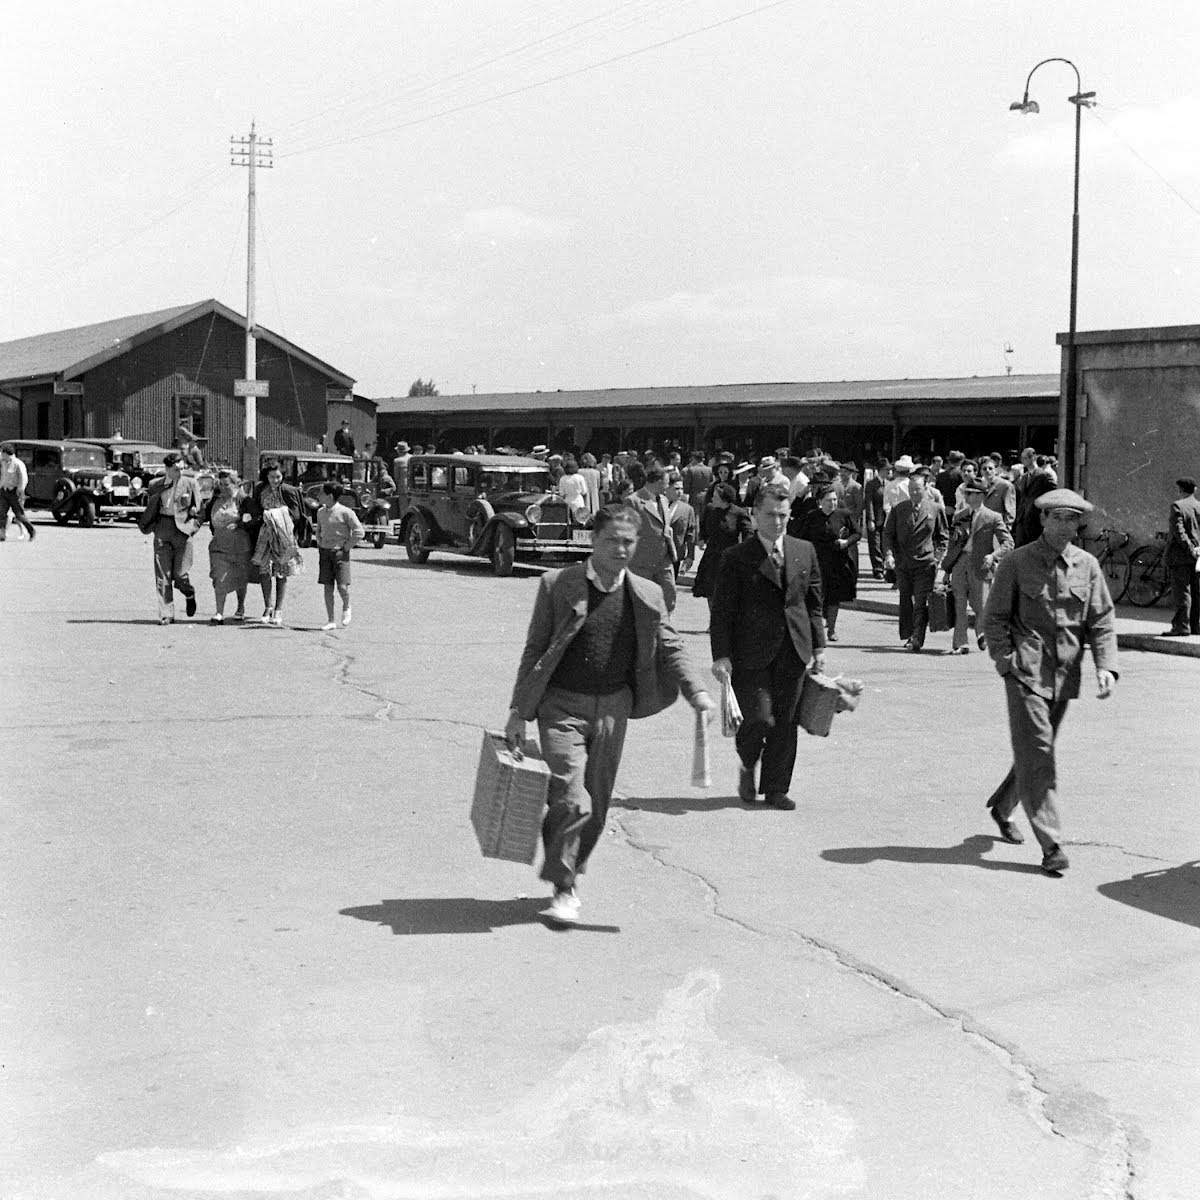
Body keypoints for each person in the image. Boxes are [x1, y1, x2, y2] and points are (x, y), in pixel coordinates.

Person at [504, 504, 714, 925]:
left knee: (595, 808)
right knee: (570, 795)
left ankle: (570, 870)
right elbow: (535, 650)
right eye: (612, 540)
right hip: (561, 705)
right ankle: (563, 886)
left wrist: (698, 692)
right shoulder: (556, 585)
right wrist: (518, 712)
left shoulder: (648, 594)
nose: (621, 549)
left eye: (629, 542)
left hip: (614, 709)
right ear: (592, 540)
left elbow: (670, 645)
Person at [981, 489, 1119, 873]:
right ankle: (1051, 843)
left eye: (1071, 519)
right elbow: (993, 618)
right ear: (1043, 520)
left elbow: (1102, 620)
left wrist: (1105, 666)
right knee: (1039, 752)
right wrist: (1005, 660)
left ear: (1079, 524)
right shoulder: (1017, 562)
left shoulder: (1087, 565)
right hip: (1025, 673)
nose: (1064, 526)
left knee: (1034, 750)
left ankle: (1003, 805)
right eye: (1056, 518)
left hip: (1064, 675)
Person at [710, 482, 827, 811]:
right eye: (770, 515)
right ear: (755, 514)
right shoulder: (736, 557)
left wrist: (820, 646)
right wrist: (721, 655)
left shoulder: (804, 550)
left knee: (786, 722)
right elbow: (722, 613)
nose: (777, 522)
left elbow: (813, 604)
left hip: (794, 649)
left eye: (783, 515)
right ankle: (748, 762)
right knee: (759, 719)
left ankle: (776, 788)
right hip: (751, 653)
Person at [940, 477, 1012, 654]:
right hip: (960, 562)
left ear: (981, 495)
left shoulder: (993, 517)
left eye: (971, 493)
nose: (967, 496)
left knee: (982, 605)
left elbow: (1008, 542)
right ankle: (961, 643)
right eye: (966, 492)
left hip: (981, 564)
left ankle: (982, 633)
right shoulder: (959, 516)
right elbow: (952, 544)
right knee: (959, 603)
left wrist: (993, 556)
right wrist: (947, 569)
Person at [882, 465, 948, 651]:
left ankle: (917, 637)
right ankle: (909, 633)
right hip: (903, 563)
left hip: (925, 563)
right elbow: (888, 534)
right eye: (911, 490)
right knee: (905, 601)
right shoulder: (899, 509)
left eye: (917, 490)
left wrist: (938, 557)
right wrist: (889, 555)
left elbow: (943, 535)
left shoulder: (935, 509)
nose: (914, 493)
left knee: (920, 602)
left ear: (925, 488)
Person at [137, 451, 203, 624]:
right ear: (167, 469)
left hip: (183, 531)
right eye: (175, 469)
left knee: (180, 575)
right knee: (162, 575)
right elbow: (150, 506)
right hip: (162, 528)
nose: (180, 472)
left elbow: (200, 511)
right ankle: (167, 613)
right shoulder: (155, 484)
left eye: (182, 468)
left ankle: (189, 593)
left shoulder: (190, 483)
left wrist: (192, 528)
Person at [246, 459, 304, 626]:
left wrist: (277, 514)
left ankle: (278, 609)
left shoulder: (288, 490)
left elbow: (296, 513)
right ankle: (267, 607)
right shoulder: (260, 489)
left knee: (281, 572)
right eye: (272, 477)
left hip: (283, 535)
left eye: (278, 477)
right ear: (266, 476)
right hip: (265, 534)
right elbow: (255, 508)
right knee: (264, 570)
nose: (275, 480)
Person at [624, 463, 677, 611]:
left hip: (664, 559)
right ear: (658, 482)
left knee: (669, 595)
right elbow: (628, 530)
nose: (667, 487)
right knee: (642, 600)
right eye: (666, 483)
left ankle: (664, 626)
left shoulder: (664, 500)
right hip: (642, 560)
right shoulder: (633, 501)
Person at [691, 483, 752, 609]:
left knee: (727, 591)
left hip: (729, 557)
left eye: (715, 496)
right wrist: (702, 538)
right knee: (710, 590)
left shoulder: (739, 513)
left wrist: (744, 552)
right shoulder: (710, 509)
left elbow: (748, 534)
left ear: (723, 498)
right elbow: (703, 525)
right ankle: (713, 620)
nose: (712, 498)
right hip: (711, 555)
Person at [202, 470, 252, 622]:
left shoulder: (243, 499)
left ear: (235, 484)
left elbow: (254, 517)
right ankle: (219, 613)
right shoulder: (214, 500)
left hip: (240, 547)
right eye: (221, 485)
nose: (223, 488)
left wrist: (240, 523)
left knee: (240, 579)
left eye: (227, 485)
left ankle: (240, 607)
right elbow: (202, 515)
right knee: (220, 578)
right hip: (219, 547)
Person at [316, 482, 365, 630]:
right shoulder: (320, 512)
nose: (318, 496)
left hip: (340, 553)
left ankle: (346, 605)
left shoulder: (346, 512)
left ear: (330, 496)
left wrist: (346, 547)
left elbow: (359, 532)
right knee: (327, 587)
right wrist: (319, 540)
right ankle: (331, 620)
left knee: (342, 586)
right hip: (325, 552)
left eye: (321, 493)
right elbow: (319, 529)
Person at [1163, 476, 1200, 636]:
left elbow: (1179, 531)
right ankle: (1195, 626)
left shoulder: (1177, 506)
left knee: (1182, 592)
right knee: (1196, 591)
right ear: (1195, 490)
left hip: (1180, 556)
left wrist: (1189, 548)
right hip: (1197, 555)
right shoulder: (1198, 506)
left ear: (1181, 490)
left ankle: (1181, 627)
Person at [664, 471, 698, 578]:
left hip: (675, 554)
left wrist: (690, 556)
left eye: (681, 489)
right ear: (666, 488)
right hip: (656, 554)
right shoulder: (658, 505)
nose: (680, 492)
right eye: (676, 489)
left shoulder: (687, 509)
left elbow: (691, 533)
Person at [0, 442, 36, 541]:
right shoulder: (3, 462)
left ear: (7, 454)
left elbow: (23, 478)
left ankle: (31, 530)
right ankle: (2, 534)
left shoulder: (17, 464)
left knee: (19, 515)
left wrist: (20, 490)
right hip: (4, 490)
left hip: (15, 492)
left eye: (2, 453)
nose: (1, 455)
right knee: (1, 513)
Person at [862, 463, 888, 579]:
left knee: (885, 543)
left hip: (887, 518)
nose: (889, 472)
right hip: (876, 517)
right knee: (875, 543)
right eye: (887, 470)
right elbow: (869, 502)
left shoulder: (889, 484)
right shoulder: (871, 484)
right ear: (880, 470)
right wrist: (870, 519)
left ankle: (886, 566)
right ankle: (878, 568)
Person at [979, 454, 1016, 528]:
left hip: (998, 527)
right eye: (984, 469)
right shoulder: (979, 486)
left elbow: (1010, 510)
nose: (987, 471)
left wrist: (1006, 528)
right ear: (981, 472)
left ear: (995, 470)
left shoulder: (1005, 486)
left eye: (990, 468)